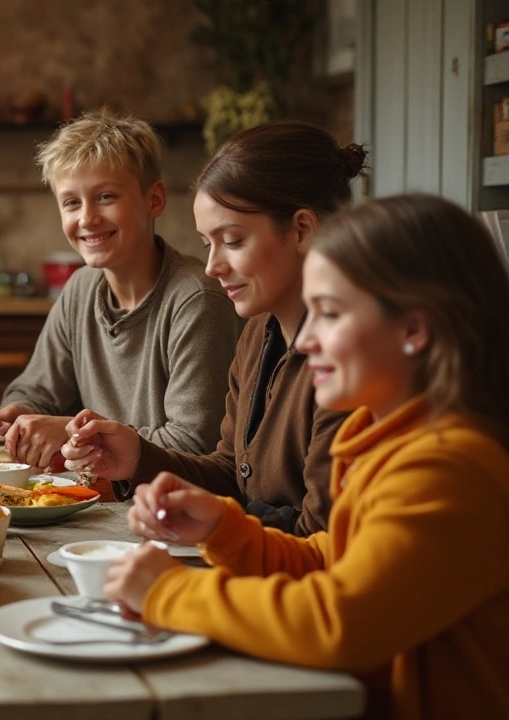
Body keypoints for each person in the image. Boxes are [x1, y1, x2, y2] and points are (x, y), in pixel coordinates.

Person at [104, 195, 509, 719]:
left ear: (413, 328)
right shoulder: (385, 439)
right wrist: (226, 532)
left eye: (331, 314)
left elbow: (339, 622)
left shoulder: (451, 468)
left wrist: (170, 594)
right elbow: (331, 562)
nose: (307, 340)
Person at [61, 121, 365, 535]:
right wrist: (137, 457)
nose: (212, 266)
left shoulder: (351, 359)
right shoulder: (260, 331)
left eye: (234, 241)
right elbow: (230, 474)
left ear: (302, 230)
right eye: (208, 244)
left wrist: (221, 527)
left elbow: (320, 538)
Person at [0, 111, 241, 467]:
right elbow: (37, 390)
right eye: (71, 202)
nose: (87, 218)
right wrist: (19, 412)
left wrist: (72, 432)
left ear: (155, 200)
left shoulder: (196, 300)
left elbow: (194, 444)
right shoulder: (80, 289)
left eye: (105, 197)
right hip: (104, 498)